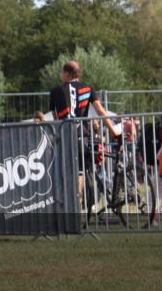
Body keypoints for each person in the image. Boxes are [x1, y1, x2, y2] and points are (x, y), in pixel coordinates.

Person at [49, 60, 114, 207]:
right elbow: (100, 111)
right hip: (82, 135)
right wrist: (113, 129)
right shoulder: (88, 89)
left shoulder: (55, 91)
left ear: (67, 73)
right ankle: (78, 205)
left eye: (61, 72)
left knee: (66, 171)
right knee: (81, 171)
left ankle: (69, 205)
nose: (60, 75)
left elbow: (55, 118)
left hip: (65, 136)